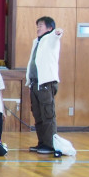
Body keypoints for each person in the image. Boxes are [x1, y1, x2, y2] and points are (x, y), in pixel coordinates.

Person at [26, 16, 64, 156]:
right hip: (35, 83)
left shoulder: (50, 38)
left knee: (48, 114)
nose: (38, 28)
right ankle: (42, 142)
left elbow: (56, 35)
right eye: (37, 26)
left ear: (49, 28)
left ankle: (50, 145)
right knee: (38, 115)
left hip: (46, 83)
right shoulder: (37, 41)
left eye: (41, 25)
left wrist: (58, 32)